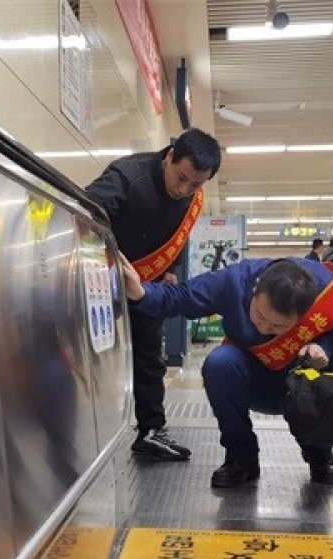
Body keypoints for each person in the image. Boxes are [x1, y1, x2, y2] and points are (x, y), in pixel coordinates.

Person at [119, 256, 333, 487]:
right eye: (259, 316)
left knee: (323, 377)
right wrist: (140, 293)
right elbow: (182, 297)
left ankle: (319, 453)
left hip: (301, 379)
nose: (264, 328)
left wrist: (326, 344)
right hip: (250, 377)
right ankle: (241, 458)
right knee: (219, 363)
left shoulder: (328, 293)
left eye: (278, 327)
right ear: (256, 289)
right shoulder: (234, 281)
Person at [85, 127, 222, 461]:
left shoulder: (191, 196)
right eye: (181, 178)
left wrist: (170, 267)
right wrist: (112, 263)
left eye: (196, 185)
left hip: (145, 285)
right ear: (170, 156)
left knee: (150, 358)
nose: (184, 189)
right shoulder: (127, 176)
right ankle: (73, 430)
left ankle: (151, 431)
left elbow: (177, 233)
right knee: (85, 354)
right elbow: (84, 214)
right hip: (99, 281)